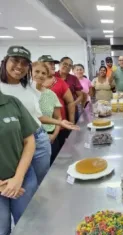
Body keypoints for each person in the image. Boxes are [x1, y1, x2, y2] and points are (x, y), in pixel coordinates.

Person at [0, 46, 78, 185]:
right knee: (20, 183)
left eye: (24, 63)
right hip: (14, 142)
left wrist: (59, 122)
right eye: (15, 60)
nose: (19, 66)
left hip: (38, 137)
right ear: (5, 61)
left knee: (41, 181)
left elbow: (35, 116)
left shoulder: (28, 88)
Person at [0, 91, 38, 235]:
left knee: (27, 224)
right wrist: (3, 186)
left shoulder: (12, 102)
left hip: (23, 179)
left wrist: (18, 178)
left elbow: (29, 140)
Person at [38, 55, 75, 147]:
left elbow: (70, 102)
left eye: (54, 64)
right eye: (50, 64)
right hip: (38, 127)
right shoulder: (32, 84)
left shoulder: (60, 82)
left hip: (60, 126)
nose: (53, 66)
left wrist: (72, 123)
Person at [32, 62, 63, 165]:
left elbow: (58, 117)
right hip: (28, 139)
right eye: (37, 71)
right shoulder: (24, 93)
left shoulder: (51, 94)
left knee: (51, 170)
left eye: (43, 73)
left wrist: (54, 135)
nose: (40, 75)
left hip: (50, 137)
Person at [55, 57, 83, 122]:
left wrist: (73, 104)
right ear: (60, 64)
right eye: (65, 64)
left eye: (70, 65)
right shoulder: (53, 76)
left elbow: (80, 96)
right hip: (57, 111)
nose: (67, 66)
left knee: (73, 130)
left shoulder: (73, 78)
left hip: (72, 110)